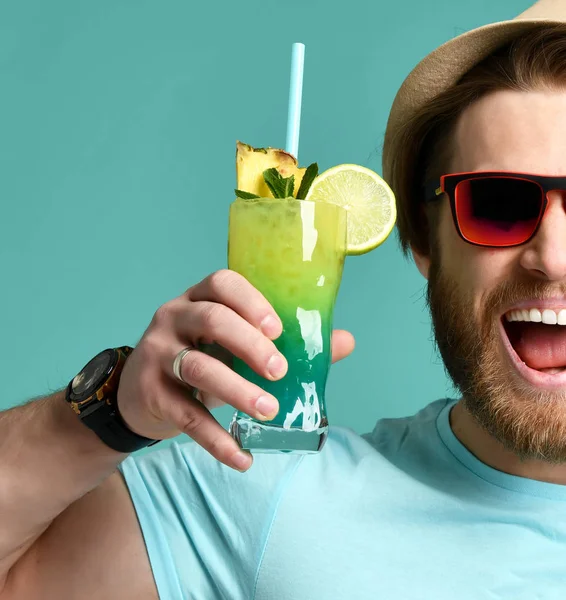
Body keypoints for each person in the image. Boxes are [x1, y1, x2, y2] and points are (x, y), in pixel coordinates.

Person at [3, 0, 566, 598]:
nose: (552, 257)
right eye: (497, 204)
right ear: (425, 243)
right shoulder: (273, 498)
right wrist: (102, 413)